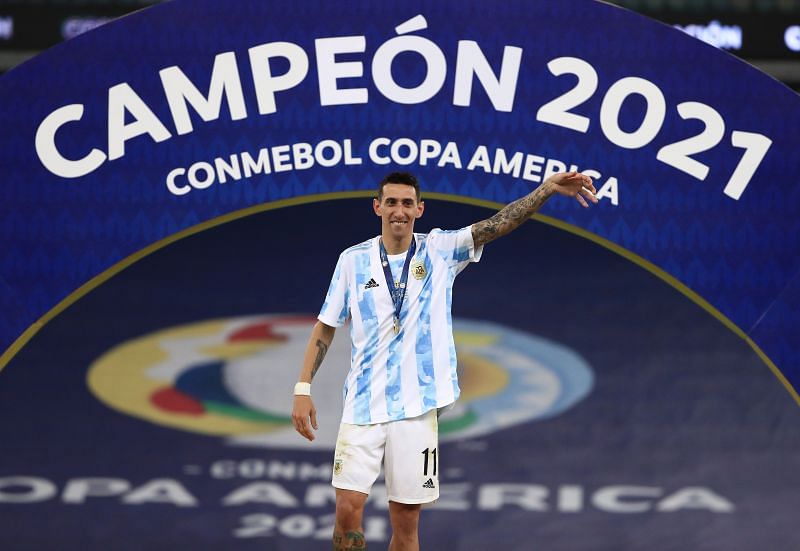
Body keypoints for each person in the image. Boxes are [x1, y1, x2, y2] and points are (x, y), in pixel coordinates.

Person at [292, 170, 597, 550]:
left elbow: (498, 225)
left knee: (405, 522)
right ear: (377, 207)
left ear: (420, 209)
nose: (398, 211)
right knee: (347, 509)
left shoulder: (440, 250)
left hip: (418, 407)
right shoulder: (353, 261)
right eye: (391, 202)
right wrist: (303, 388)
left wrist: (546, 190)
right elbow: (325, 327)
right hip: (363, 404)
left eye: (407, 203)